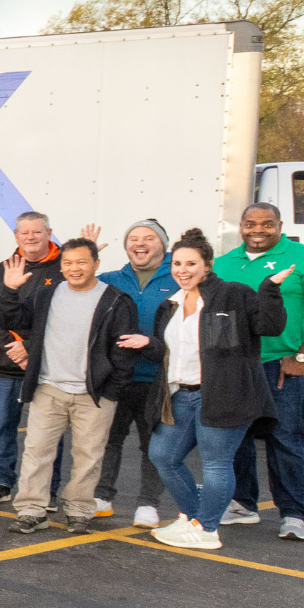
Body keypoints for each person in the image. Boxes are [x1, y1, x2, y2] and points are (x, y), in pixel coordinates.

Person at [132, 229, 291, 550]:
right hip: (180, 395)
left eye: (191, 263)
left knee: (216, 464)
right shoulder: (171, 305)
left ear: (208, 264)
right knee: (162, 455)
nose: (182, 270)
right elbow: (175, 350)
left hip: (223, 394)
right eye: (177, 263)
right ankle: (192, 519)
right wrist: (150, 343)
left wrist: (270, 290)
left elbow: (269, 327)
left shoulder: (234, 294)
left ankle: (206, 529)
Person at [214, 202, 304, 541]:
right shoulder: (222, 263)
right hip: (235, 367)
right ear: (241, 226)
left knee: (286, 439)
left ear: (280, 225)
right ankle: (242, 504)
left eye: (267, 224)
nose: (258, 229)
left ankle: (293, 515)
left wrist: (303, 357)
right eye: (250, 223)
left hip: (280, 365)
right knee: (235, 439)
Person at [0, 238, 141, 534]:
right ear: (62, 266)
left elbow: (124, 351)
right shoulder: (47, 294)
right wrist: (9, 290)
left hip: (94, 394)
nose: (75, 269)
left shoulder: (115, 300)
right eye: (68, 263)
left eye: (82, 262)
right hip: (48, 389)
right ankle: (32, 510)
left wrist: (110, 391)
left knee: (88, 456)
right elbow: (14, 319)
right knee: (36, 453)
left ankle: (79, 511)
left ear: (96, 264)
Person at [93, 219, 179, 527]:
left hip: (157, 379)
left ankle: (148, 504)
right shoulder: (111, 278)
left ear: (164, 245)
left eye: (149, 238)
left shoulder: (178, 277)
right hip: (116, 377)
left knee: (152, 444)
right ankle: (101, 497)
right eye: (133, 238)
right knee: (108, 440)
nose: (139, 243)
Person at [0, 211, 62, 506]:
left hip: (47, 366)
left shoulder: (64, 270)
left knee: (50, 433)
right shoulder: (0, 271)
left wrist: (30, 347)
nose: (30, 238)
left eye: (37, 232)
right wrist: (14, 346)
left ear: (48, 233)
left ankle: (48, 490)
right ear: (15, 236)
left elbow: (61, 320)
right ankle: (1, 482)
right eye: (24, 233)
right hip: (4, 365)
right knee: (2, 427)